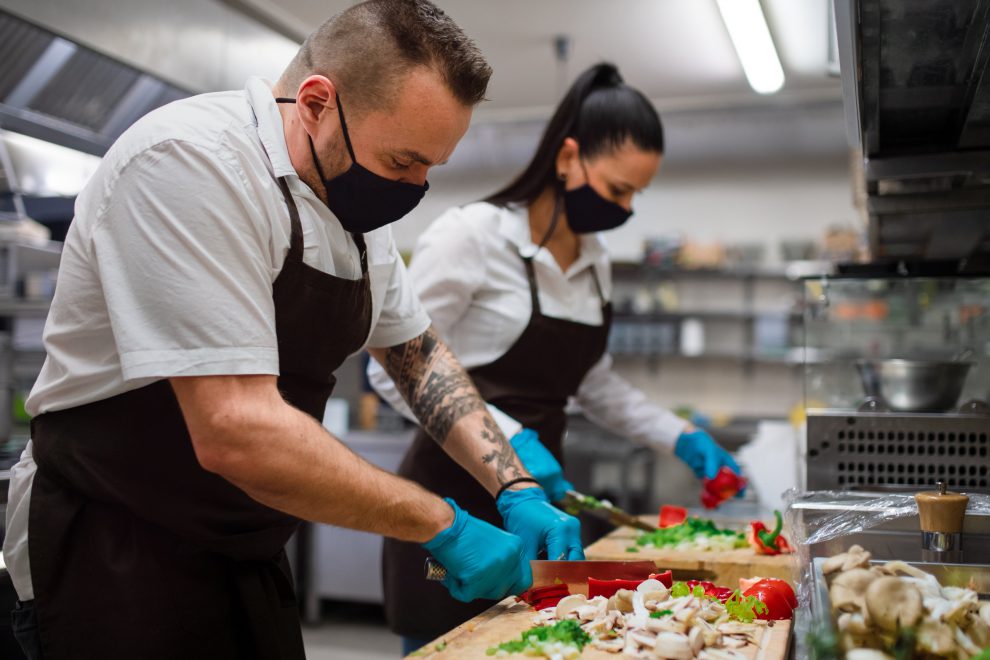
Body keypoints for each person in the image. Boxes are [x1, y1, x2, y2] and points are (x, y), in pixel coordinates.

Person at [2, 2, 583, 658]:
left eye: (429, 169)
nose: (415, 186)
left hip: (243, 547)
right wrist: (439, 523)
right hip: (109, 549)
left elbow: (416, 357)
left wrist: (513, 484)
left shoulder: (356, 213)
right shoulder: (192, 163)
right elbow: (234, 430)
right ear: (314, 103)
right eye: (401, 161)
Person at [369, 62, 745, 650]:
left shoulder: (594, 265)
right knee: (448, 646)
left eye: (635, 195)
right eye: (618, 189)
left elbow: (594, 383)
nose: (625, 207)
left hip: (541, 513)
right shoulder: (474, 236)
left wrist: (683, 437)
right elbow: (392, 366)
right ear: (568, 158)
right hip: (454, 509)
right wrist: (510, 440)